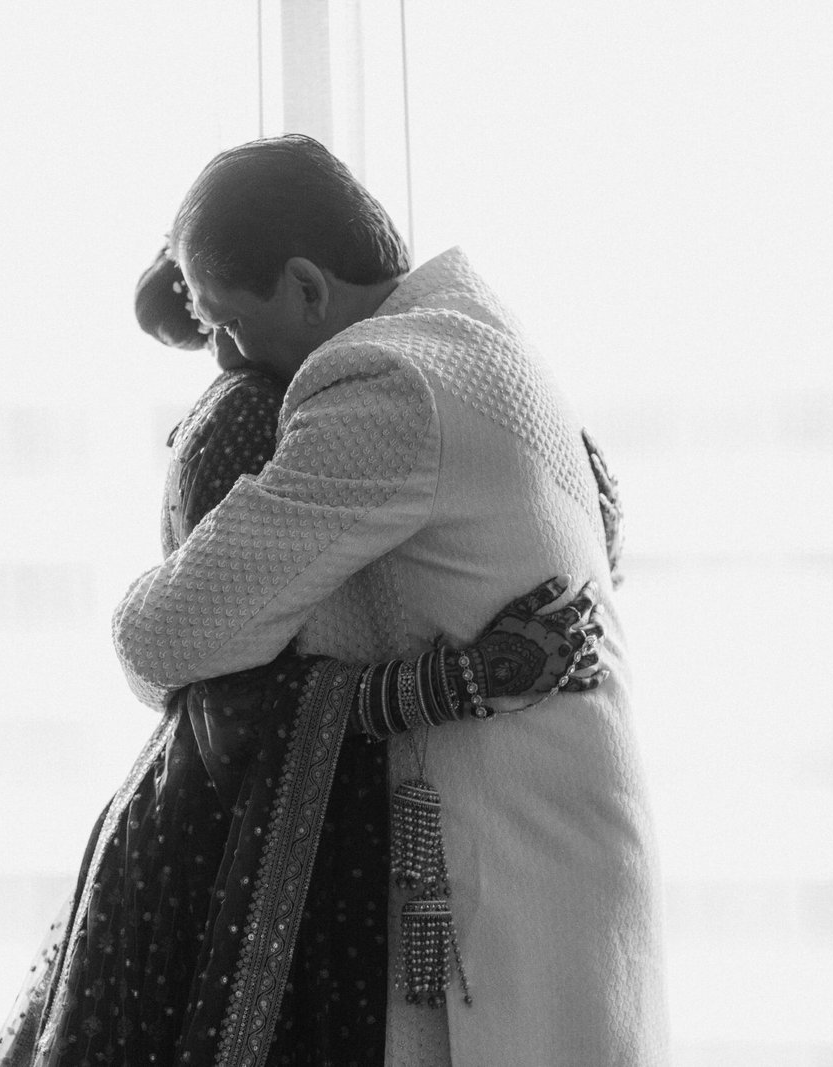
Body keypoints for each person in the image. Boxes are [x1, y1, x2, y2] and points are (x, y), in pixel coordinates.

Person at [112, 135, 666, 1065]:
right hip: (572, 848)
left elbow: (162, 637)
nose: (228, 359)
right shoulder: (477, 326)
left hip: (506, 867)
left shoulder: (382, 384)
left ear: (306, 287)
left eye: (229, 323)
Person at [0, 249, 609, 1067]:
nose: (231, 347)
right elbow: (220, 686)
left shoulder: (382, 379)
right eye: (217, 324)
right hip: (240, 833)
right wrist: (455, 681)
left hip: (319, 818)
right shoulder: (252, 412)